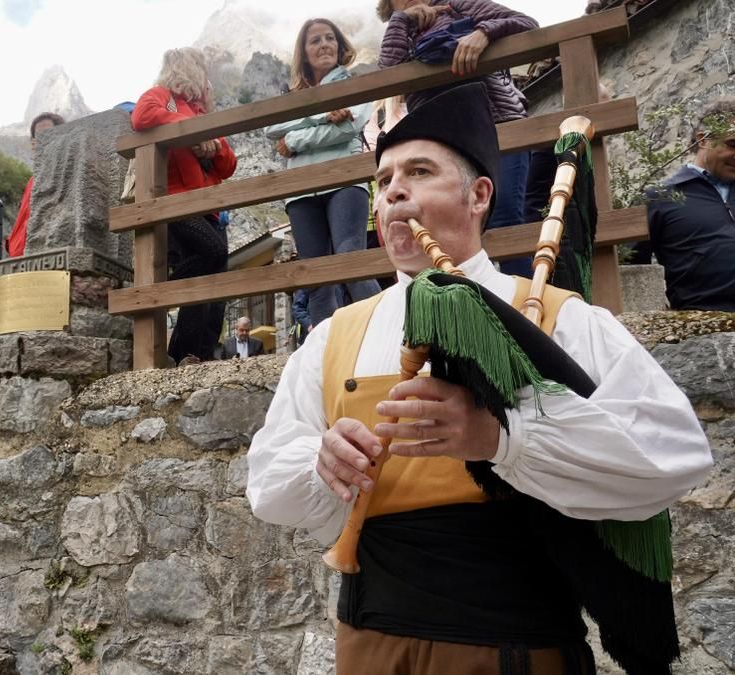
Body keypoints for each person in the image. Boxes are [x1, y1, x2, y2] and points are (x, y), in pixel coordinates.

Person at [246, 83, 712, 673]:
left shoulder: (559, 318)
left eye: (418, 171)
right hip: (366, 644)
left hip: (511, 647)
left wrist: (498, 438)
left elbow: (673, 452)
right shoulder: (331, 336)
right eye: (383, 181)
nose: (394, 192)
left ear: (479, 195)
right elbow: (266, 483)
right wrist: (320, 459)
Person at [377, 0, 539, 276]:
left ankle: (522, 306)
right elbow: (387, 75)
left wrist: (483, 33)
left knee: (505, 218)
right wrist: (402, 20)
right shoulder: (402, 27)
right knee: (447, 225)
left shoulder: (457, 4)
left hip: (496, 123)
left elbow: (526, 23)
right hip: (441, 142)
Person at [266, 18, 379, 325]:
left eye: (330, 38)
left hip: (344, 179)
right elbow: (272, 129)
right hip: (301, 189)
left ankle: (384, 337)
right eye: (315, 40)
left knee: (350, 261)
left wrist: (295, 139)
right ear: (303, 52)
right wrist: (320, 115)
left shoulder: (353, 82)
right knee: (316, 278)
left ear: (340, 46)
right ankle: (325, 355)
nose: (324, 44)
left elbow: (349, 128)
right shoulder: (292, 94)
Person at [132, 47, 237, 365]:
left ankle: (192, 356)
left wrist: (213, 145)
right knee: (213, 255)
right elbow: (140, 117)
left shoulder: (205, 115)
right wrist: (188, 132)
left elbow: (228, 166)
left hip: (210, 208)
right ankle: (155, 296)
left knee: (213, 290)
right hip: (177, 202)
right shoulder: (162, 96)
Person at [629, 100, 735, 311]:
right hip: (704, 330)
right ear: (703, 139)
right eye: (733, 144)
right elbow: (628, 270)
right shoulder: (658, 197)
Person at [7, 112, 65, 258]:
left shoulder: (66, 170)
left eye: (47, 133)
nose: (42, 140)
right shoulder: (33, 180)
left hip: (48, 252)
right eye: (37, 136)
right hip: (21, 254)